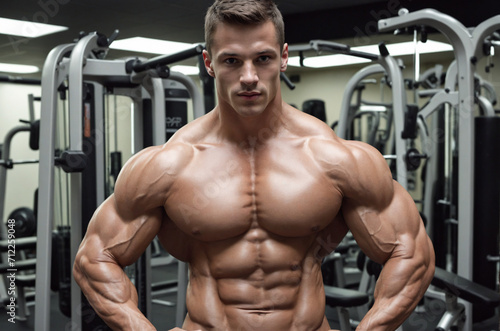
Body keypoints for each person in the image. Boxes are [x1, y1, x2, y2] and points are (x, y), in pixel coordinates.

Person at [73, 0, 435, 330]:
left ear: (283, 57)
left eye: (262, 58)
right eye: (232, 60)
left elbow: (412, 253)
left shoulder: (333, 157)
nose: (249, 76)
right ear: (208, 63)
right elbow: (95, 258)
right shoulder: (172, 163)